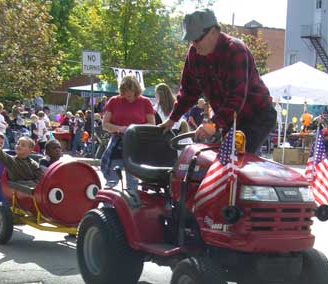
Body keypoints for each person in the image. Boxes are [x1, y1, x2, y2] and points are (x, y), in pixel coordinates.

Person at [159, 8, 276, 155]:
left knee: (235, 159)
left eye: (197, 39)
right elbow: (188, 92)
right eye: (191, 40)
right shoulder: (194, 54)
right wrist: (171, 120)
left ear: (213, 32)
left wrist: (211, 125)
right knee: (213, 159)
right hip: (229, 117)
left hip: (257, 115)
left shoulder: (235, 50)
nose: (194, 44)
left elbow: (236, 97)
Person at [101, 75, 155, 205]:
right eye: (125, 93)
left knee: (133, 182)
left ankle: (132, 211)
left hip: (136, 146)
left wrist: (132, 129)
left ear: (136, 90)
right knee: (112, 180)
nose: (128, 96)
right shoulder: (114, 101)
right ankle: (106, 209)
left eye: (131, 93)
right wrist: (120, 128)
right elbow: (105, 124)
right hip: (118, 144)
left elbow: (151, 125)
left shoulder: (145, 102)